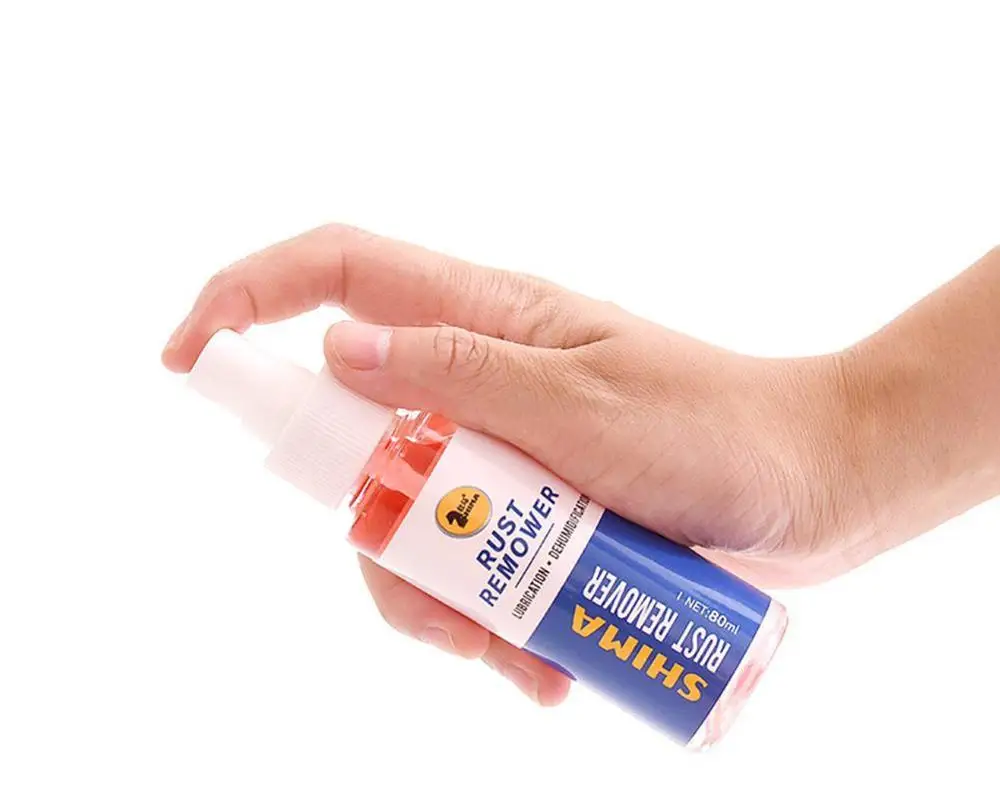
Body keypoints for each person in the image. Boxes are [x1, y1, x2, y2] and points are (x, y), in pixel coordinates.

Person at [162, 225, 1000, 706]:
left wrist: (837, 455)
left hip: (722, 628)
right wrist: (839, 463)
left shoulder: (426, 447)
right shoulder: (378, 517)